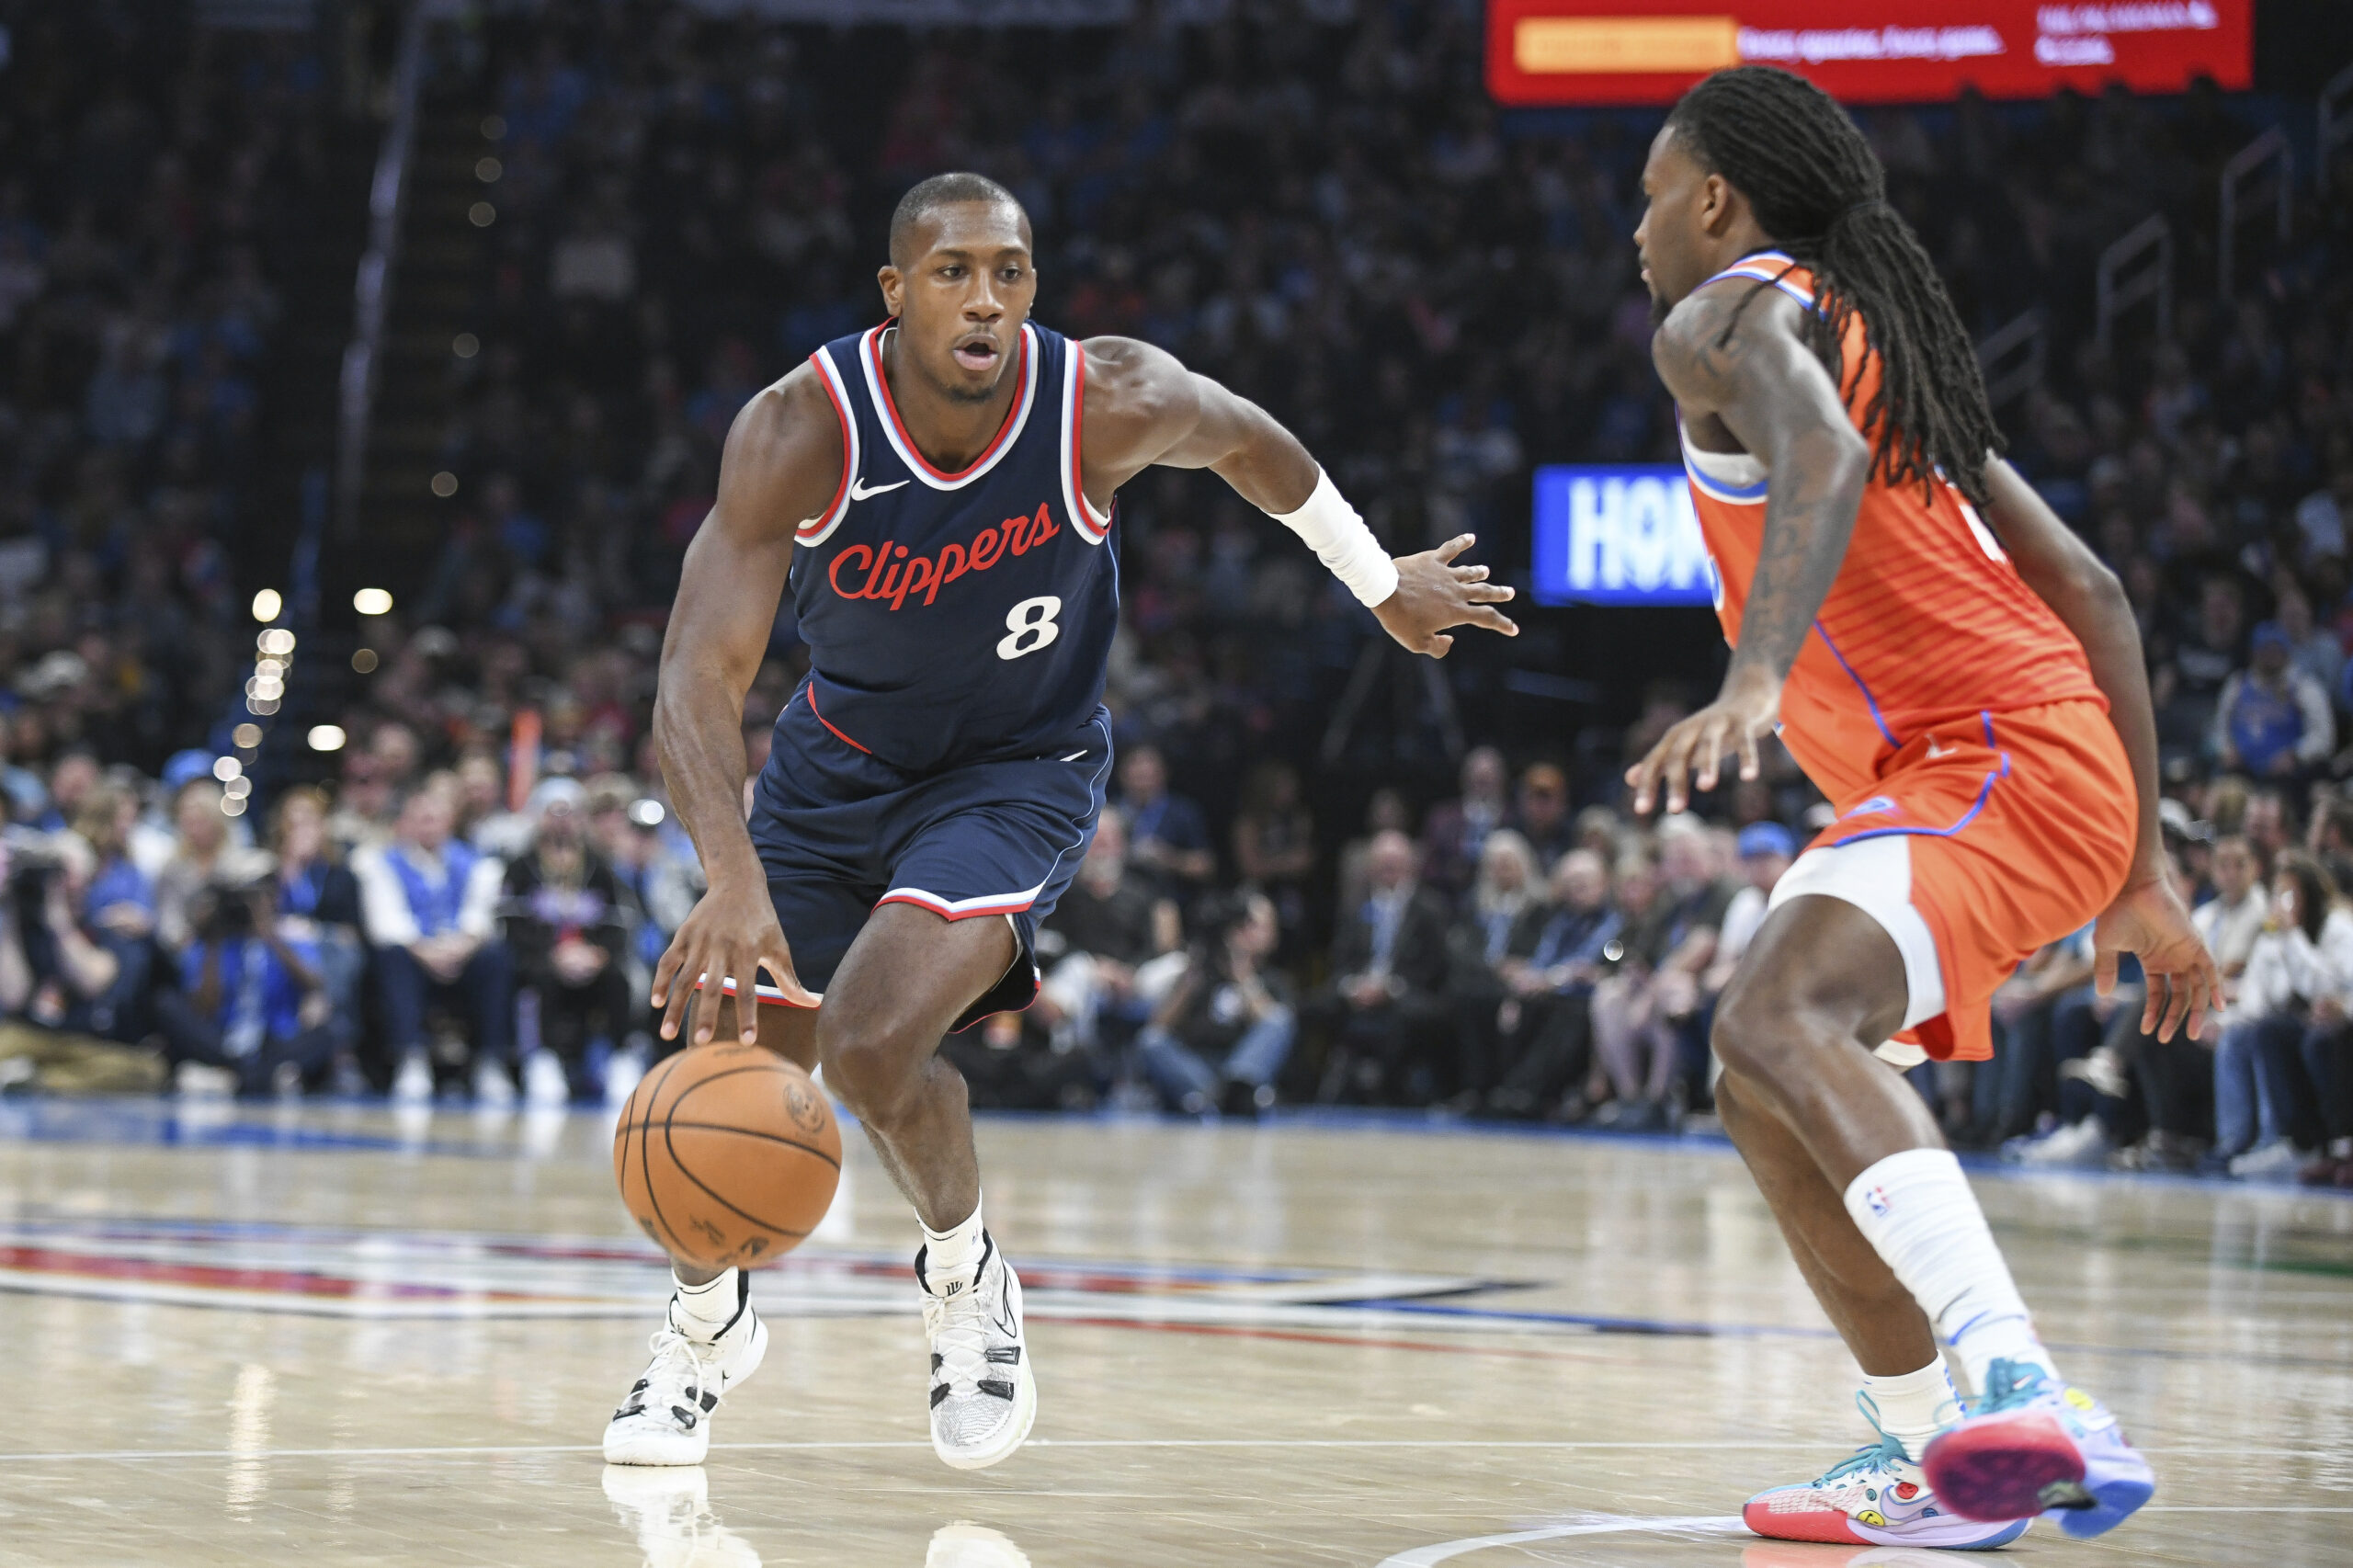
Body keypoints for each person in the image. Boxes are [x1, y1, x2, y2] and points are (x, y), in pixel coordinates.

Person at [615, 172, 1512, 1472]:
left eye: (1010, 270)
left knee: (871, 1044)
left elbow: (1256, 443)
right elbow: (695, 677)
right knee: (738, 1052)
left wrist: (1381, 582)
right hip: (832, 773)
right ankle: (705, 1325)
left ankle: (967, 1279)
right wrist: (731, 874)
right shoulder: (800, 427)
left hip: (1015, 769)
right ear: (895, 292)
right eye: (952, 271)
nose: (985, 297)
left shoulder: (1105, 397)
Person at [1625, 66, 2213, 1547]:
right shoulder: (1885, 349)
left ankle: (2025, 1392)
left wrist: (1757, 679)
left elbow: (1813, 456)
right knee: (1754, 1072)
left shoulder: (1719, 319)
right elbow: (2094, 591)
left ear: (1713, 200)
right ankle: (1927, 1452)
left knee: (1775, 1016)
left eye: (1648, 195)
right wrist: (2137, 873)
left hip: (1990, 749)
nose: (1636, 229)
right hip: (2019, 765)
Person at [355, 785, 514, 1104]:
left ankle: (490, 1062)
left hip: (461, 954)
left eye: (436, 818)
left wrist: (460, 948)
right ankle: (411, 1060)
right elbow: (387, 922)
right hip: (415, 957)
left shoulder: (479, 864)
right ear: (407, 822)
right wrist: (427, 952)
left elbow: (481, 916)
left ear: (450, 821)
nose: (428, 825)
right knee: (391, 956)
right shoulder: (381, 862)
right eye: (421, 818)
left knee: (497, 957)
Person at [503, 781, 632, 1106]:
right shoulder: (522, 867)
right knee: (539, 978)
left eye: (569, 813)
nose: (561, 821)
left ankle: (621, 1057)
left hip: (591, 959)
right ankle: (543, 1061)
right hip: (543, 958)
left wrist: (598, 953)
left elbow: (617, 922)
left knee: (618, 979)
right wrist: (554, 953)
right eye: (553, 812)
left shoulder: (599, 867)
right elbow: (512, 923)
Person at [1312, 827, 1456, 1104]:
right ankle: (1301, 1090)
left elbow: (1435, 967)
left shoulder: (1430, 908)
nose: (1389, 866)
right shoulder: (1355, 906)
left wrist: (1391, 989)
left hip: (1408, 994)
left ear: (1410, 865)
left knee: (1405, 1015)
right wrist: (1353, 986)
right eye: (1383, 861)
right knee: (1310, 1006)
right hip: (1359, 990)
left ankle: (1384, 1091)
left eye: (1395, 860)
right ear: (1371, 866)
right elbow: (1341, 959)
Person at [1134, 889, 1293, 1117]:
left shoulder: (1273, 979)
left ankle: (1235, 1087)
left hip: (1240, 1063)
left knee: (1280, 1019)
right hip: (1197, 1065)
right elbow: (1158, 1026)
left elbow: (1270, 1023)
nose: (1246, 933)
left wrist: (1243, 976)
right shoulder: (1199, 972)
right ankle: (1218, 1095)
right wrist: (1188, 983)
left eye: (1253, 925)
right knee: (1150, 1041)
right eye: (1242, 926)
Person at [2211, 621, 2333, 783]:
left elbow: (2323, 737)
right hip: (2240, 771)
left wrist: (2296, 755)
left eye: (2276, 649)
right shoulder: (2237, 684)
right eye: (2266, 649)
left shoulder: (2304, 686)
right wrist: (2226, 750)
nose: (2271, 655)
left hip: (2289, 775)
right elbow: (2218, 730)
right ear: (2255, 652)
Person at [1115, 744, 1213, 899]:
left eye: (1148, 766)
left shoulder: (1183, 812)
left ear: (1163, 773)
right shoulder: (1110, 812)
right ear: (1122, 773)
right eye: (1135, 765)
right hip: (1120, 902)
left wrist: (1168, 858)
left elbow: (1205, 866)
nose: (1142, 771)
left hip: (1171, 898)